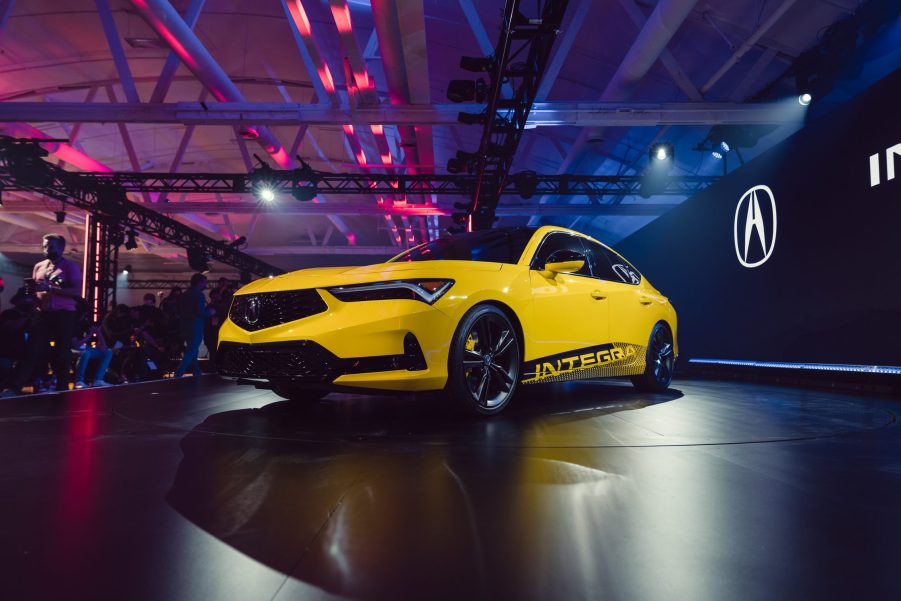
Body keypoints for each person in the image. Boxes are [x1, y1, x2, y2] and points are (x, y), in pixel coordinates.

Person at [1, 234, 83, 396]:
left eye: (51, 246)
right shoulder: (39, 266)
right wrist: (31, 293)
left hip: (63, 313)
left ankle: (62, 387)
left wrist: (51, 289)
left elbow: (76, 291)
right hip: (42, 313)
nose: (47, 249)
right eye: (45, 246)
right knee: (32, 349)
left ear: (60, 248)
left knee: (62, 351)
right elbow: (33, 289)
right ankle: (15, 387)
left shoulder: (69, 267)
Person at [173, 273, 215, 378]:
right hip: (195, 325)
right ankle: (179, 372)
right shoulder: (199, 295)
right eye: (205, 282)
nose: (205, 284)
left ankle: (197, 371)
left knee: (192, 350)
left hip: (184, 325)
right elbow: (200, 312)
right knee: (192, 350)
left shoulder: (184, 294)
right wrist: (210, 312)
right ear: (200, 282)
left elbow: (179, 310)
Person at [72, 321, 113, 388]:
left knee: (108, 352)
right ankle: (79, 381)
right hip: (76, 349)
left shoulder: (90, 327)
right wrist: (90, 334)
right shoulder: (76, 327)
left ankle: (98, 379)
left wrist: (98, 332)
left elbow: (104, 347)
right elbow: (76, 345)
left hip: (88, 349)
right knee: (86, 353)